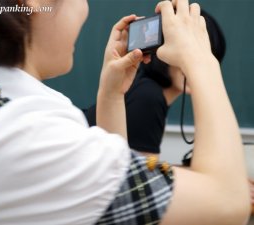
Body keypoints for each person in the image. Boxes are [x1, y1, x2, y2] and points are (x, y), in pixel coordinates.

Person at [0, 0, 250, 225]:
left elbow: (110, 194)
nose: (85, 8)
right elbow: (227, 202)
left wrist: (110, 96)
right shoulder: (24, 135)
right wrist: (201, 61)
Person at [84, 9, 226, 159]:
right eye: (189, 54)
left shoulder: (144, 89)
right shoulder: (149, 97)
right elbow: (142, 179)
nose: (195, 65)